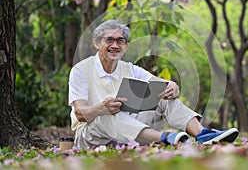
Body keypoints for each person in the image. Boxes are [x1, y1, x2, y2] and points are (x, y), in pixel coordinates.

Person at [68, 19, 238, 148]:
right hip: (90, 135)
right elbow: (81, 113)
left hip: (127, 131)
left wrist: (171, 85)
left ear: (126, 46)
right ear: (97, 43)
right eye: (109, 40)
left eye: (120, 41)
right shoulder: (81, 70)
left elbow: (158, 82)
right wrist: (101, 108)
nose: (115, 45)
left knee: (163, 96)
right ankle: (165, 138)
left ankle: (202, 134)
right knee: (107, 116)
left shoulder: (130, 69)